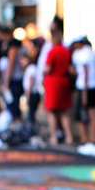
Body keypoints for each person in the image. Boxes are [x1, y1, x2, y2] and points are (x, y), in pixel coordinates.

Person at [41, 19, 74, 147]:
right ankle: (68, 136)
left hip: (53, 83)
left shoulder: (53, 51)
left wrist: (43, 73)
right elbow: (71, 68)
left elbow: (48, 68)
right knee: (63, 112)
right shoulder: (66, 51)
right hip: (64, 82)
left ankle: (54, 136)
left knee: (52, 112)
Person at [72, 35, 95, 153]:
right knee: (92, 113)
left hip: (86, 87)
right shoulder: (92, 53)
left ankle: (86, 139)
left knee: (85, 114)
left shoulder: (82, 55)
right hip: (93, 86)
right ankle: (93, 139)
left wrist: (84, 92)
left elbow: (85, 73)